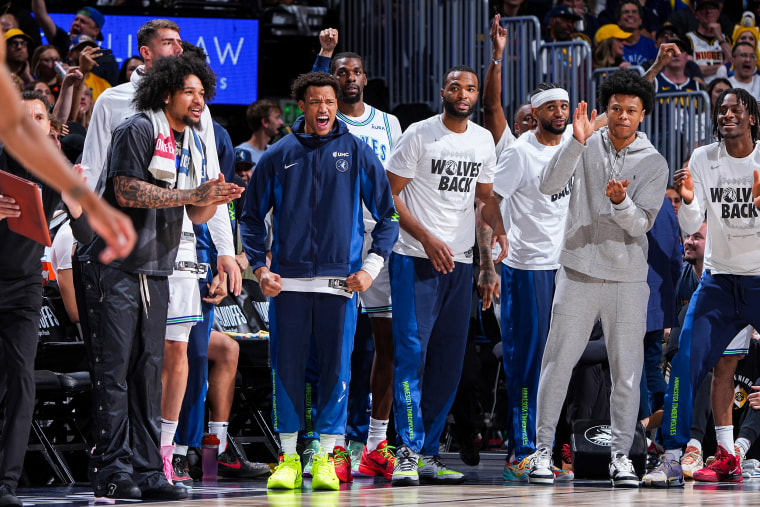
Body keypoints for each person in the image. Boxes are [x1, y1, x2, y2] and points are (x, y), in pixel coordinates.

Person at [73, 54, 242, 501]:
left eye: (203, 93)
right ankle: (111, 470)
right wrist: (191, 192)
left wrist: (215, 196)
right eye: (189, 91)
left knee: (148, 372)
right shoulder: (139, 128)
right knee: (114, 373)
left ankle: (148, 471)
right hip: (112, 265)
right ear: (166, 92)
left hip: (156, 265)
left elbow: (196, 212)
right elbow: (126, 188)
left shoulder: (193, 140)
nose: (198, 100)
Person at [240, 71, 398, 491]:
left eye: (329, 101)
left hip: (340, 286)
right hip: (286, 286)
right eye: (314, 101)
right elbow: (251, 218)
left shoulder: (358, 152)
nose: (323, 108)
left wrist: (371, 268)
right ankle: (289, 458)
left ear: (336, 105)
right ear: (303, 106)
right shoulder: (278, 154)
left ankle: (327, 457)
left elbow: (388, 217)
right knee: (286, 372)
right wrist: (259, 268)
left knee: (337, 372)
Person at [0, 35, 135, 507]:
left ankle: (7, 482)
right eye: (26, 119)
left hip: (21, 287)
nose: (35, 127)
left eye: (42, 120)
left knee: (18, 378)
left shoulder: (52, 170)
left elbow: (82, 229)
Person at [527, 69, 669, 487]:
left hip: (627, 279)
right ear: (605, 109)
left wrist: (621, 202)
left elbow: (641, 224)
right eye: (615, 108)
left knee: (627, 372)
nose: (622, 115)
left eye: (630, 110)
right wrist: (575, 141)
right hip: (578, 271)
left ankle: (622, 456)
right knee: (557, 364)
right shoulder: (584, 143)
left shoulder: (654, 162)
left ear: (642, 114)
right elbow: (547, 183)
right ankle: (541, 452)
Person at [385, 65, 507, 487]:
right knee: (411, 358)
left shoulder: (483, 140)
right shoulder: (419, 133)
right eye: (456, 86)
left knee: (449, 364)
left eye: (471, 88)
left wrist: (487, 263)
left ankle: (428, 453)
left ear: (476, 96)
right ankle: (405, 449)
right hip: (415, 260)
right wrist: (427, 237)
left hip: (461, 265)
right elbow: (389, 194)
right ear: (443, 91)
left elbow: (484, 202)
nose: (463, 93)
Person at [643, 87, 760, 486]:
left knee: (728, 369)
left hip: (759, 278)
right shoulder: (703, 159)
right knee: (686, 362)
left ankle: (732, 453)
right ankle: (674, 456)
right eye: (721, 110)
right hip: (718, 281)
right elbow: (692, 225)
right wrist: (690, 200)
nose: (726, 115)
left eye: (735, 109)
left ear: (752, 118)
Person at [311, 27, 404, 481]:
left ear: (366, 79)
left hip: (383, 244)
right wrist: (321, 56)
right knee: (338, 349)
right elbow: (304, 107)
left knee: (386, 345)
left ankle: (374, 442)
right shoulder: (324, 122)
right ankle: (333, 446)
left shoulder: (389, 124)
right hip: (338, 244)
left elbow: (402, 186)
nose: (348, 78)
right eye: (339, 72)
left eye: (355, 72)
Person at [491, 82, 576, 483]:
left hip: (566, 268)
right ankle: (520, 451)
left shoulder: (574, 145)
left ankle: (548, 447)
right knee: (527, 363)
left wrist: (656, 69)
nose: (559, 113)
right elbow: (489, 198)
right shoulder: (519, 151)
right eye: (552, 107)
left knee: (559, 363)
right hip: (526, 268)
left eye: (564, 106)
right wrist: (494, 251)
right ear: (535, 112)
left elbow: (624, 105)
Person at [684, 0, 733, 85]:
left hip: (725, 88)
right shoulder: (688, 39)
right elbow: (691, 69)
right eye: (703, 8)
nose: (708, 11)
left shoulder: (726, 39)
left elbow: (734, 64)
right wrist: (723, 66)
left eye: (712, 7)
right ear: (696, 14)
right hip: (700, 87)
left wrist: (720, 39)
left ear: (718, 12)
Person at [235, 99, 284, 165]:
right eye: (277, 117)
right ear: (265, 122)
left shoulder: (275, 152)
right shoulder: (240, 153)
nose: (281, 122)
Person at [617, 0, 658, 65]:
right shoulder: (614, 45)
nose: (630, 15)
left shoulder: (651, 45)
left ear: (641, 20)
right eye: (626, 12)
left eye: (634, 12)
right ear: (619, 21)